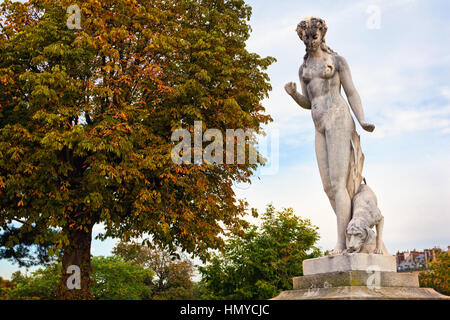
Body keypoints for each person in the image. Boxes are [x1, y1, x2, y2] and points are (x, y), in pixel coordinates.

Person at [285, 17, 375, 255]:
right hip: (319, 124)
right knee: (328, 186)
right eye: (306, 38)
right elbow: (309, 101)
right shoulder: (303, 68)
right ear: (301, 39)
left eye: (314, 36)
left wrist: (362, 119)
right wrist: (294, 95)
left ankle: (342, 243)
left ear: (322, 35)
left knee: (338, 183)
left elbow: (352, 91)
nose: (310, 41)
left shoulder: (336, 61)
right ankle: (359, 231)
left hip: (338, 117)